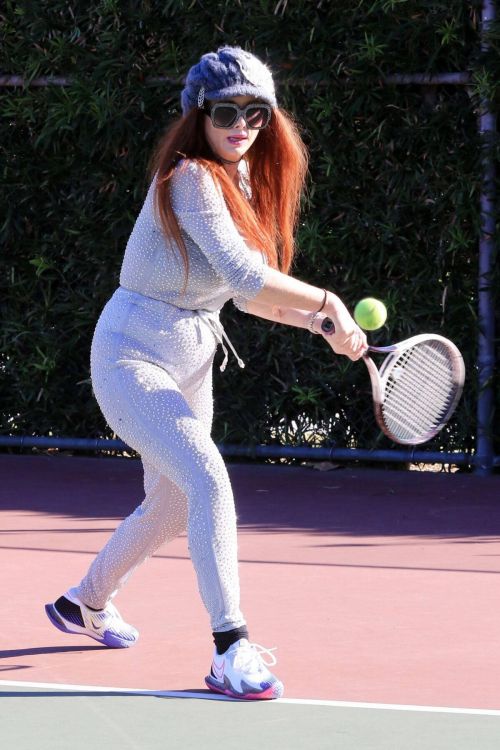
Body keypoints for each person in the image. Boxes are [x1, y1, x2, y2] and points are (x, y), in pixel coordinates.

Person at [45, 46, 367, 701]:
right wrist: (328, 302)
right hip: (132, 353)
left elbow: (241, 295)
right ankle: (230, 648)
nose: (242, 123)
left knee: (171, 506)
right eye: (227, 111)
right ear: (200, 115)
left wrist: (314, 325)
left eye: (257, 111)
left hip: (192, 356)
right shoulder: (191, 176)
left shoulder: (242, 180)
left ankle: (85, 601)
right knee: (209, 479)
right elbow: (249, 275)